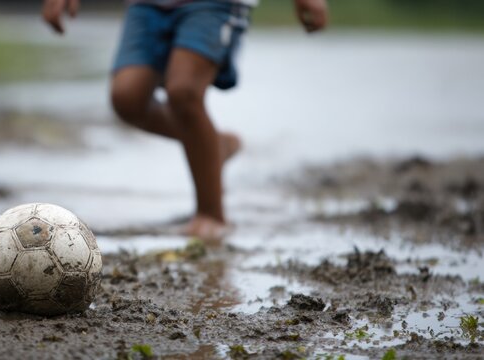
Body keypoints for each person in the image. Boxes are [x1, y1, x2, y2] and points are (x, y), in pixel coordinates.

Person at [42, 0, 328, 239]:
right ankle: (215, 146)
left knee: (184, 91)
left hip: (214, 5)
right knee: (127, 98)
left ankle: (212, 215)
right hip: (148, 5)